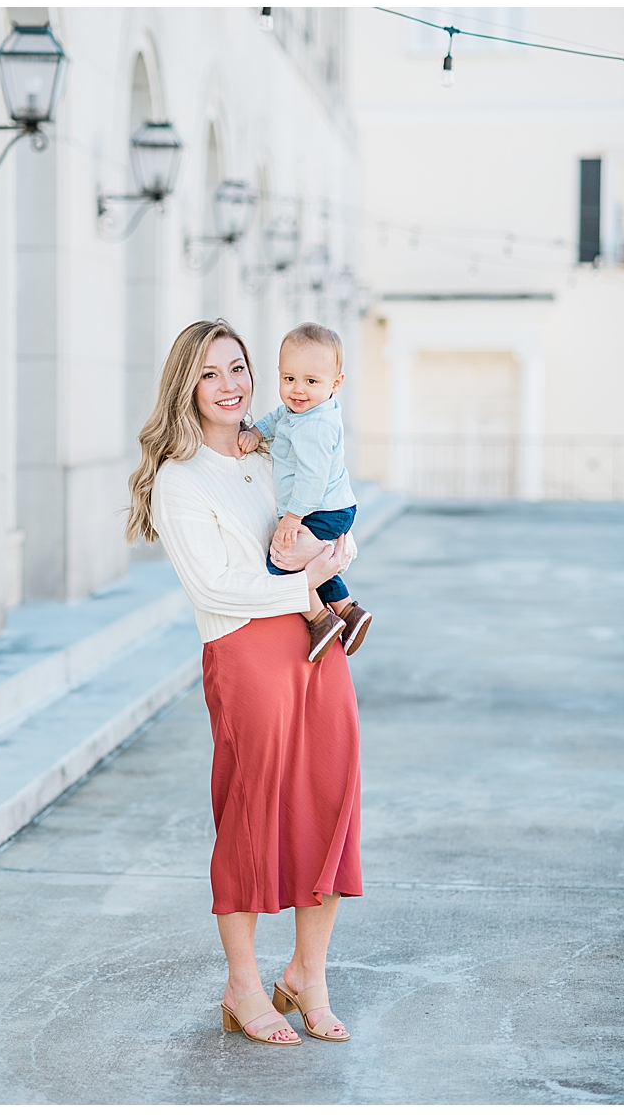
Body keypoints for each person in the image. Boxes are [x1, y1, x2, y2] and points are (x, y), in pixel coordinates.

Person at [126, 318, 361, 1047]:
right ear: (186, 389)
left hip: (317, 647)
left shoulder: (274, 446)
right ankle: (243, 986)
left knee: (330, 803)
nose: (231, 385)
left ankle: (307, 976)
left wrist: (334, 551)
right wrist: (307, 582)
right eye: (211, 373)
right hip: (246, 653)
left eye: (238, 368)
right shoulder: (180, 479)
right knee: (255, 816)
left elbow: (332, 525)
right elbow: (218, 587)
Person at [238, 323, 371, 660]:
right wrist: (255, 432)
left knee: (283, 562)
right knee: (310, 558)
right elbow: (276, 417)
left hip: (320, 508)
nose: (297, 390)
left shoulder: (316, 426)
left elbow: (312, 480)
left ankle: (320, 620)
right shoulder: (301, 410)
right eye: (289, 379)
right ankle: (350, 613)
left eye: (311, 382)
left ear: (335, 384)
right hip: (328, 507)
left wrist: (292, 520)